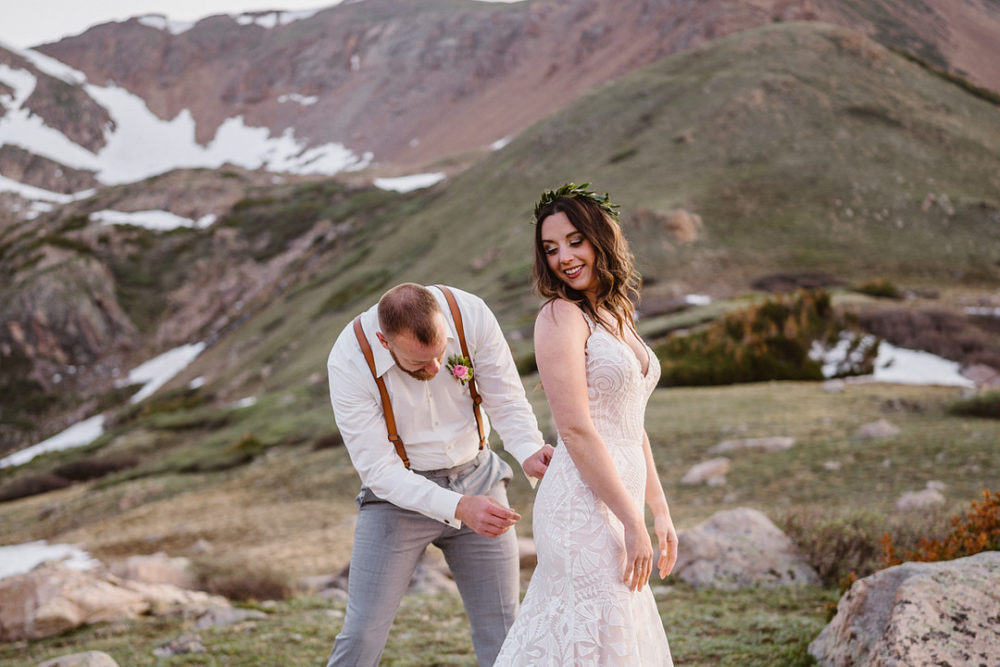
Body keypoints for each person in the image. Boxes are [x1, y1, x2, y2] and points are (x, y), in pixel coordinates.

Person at [494, 183, 678, 665]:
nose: (564, 258)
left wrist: (658, 512)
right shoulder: (559, 315)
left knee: (616, 637)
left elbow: (631, 425)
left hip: (620, 502)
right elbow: (575, 429)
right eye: (551, 249)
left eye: (575, 240)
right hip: (581, 505)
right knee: (586, 635)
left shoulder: (617, 315)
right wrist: (630, 517)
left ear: (601, 238)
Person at [325, 282, 554, 667]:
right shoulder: (349, 360)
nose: (435, 368)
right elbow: (379, 469)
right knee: (362, 633)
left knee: (502, 627)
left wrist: (528, 449)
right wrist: (459, 507)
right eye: (419, 363)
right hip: (397, 498)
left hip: (479, 476)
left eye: (440, 355)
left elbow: (505, 395)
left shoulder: (470, 314)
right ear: (385, 342)